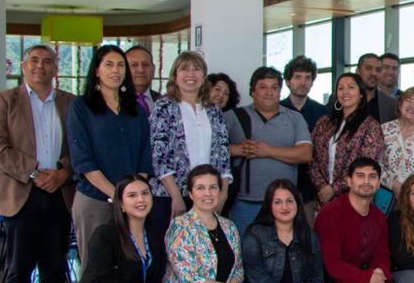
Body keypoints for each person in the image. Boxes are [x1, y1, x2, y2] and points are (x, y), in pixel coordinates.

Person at [0, 44, 75, 283]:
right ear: (23, 67)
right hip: (21, 192)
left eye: (47, 61)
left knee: (54, 268)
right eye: (33, 61)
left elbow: (79, 146)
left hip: (59, 194)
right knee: (18, 269)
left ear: (55, 69)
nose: (40, 66)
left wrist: (63, 173)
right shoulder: (6, 100)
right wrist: (35, 172)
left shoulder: (69, 103)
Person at [67, 44, 153, 270]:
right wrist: (119, 195)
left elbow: (145, 153)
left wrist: (133, 195)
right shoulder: (81, 107)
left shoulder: (136, 108)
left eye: (121, 65)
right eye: (109, 64)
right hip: (95, 200)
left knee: (128, 266)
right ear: (97, 70)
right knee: (95, 268)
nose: (116, 70)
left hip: (132, 203)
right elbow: (83, 160)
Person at [313, 157, 399, 283]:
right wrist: (366, 279)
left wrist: (379, 274)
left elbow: (382, 256)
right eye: (360, 176)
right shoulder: (331, 213)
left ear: (378, 183)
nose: (366, 181)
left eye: (372, 177)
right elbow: (331, 263)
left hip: (359, 276)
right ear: (349, 181)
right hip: (328, 282)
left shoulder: (378, 216)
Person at [149, 51, 232, 242]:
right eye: (184, 69)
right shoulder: (163, 107)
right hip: (170, 195)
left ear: (203, 77)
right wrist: (176, 195)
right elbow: (158, 155)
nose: (191, 74)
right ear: (175, 75)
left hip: (207, 195)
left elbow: (223, 154)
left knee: (205, 250)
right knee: (171, 250)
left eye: (197, 69)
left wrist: (223, 192)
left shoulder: (213, 111)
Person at [225, 66, 313, 233]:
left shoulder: (295, 118)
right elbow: (213, 151)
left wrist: (268, 151)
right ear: (252, 91)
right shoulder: (233, 116)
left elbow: (305, 154)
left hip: (284, 203)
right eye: (263, 87)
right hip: (244, 203)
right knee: (244, 254)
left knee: (284, 254)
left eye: (274, 87)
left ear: (280, 91)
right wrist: (237, 149)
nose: (269, 92)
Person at [310, 72, 385, 210]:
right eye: (341, 88)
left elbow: (366, 165)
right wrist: (322, 187)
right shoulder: (324, 122)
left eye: (351, 87)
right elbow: (312, 157)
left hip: (355, 198)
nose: (345, 92)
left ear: (361, 94)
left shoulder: (371, 126)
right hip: (322, 198)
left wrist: (334, 188)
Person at [280, 55, 325, 208]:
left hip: (312, 188)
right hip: (281, 181)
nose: (303, 82)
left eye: (308, 78)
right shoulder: (277, 110)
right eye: (298, 77)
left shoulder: (322, 112)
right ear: (287, 81)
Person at [357, 52, 398, 123]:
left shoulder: (392, 104)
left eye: (378, 70)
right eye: (369, 68)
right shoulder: (340, 99)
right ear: (358, 71)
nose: (374, 73)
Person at [124, 44, 160, 115]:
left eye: (145, 64)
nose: (141, 70)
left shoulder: (164, 101)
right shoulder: (115, 102)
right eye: (134, 65)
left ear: (153, 69)